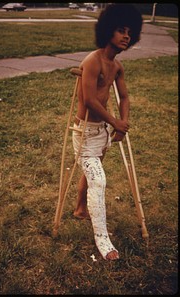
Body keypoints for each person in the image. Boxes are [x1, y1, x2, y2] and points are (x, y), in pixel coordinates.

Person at [72, 4, 143, 260]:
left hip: (101, 132)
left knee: (91, 173)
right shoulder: (92, 60)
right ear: (107, 32)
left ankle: (80, 209)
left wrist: (122, 123)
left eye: (129, 32)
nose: (126, 36)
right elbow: (89, 99)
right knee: (98, 180)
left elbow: (124, 97)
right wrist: (116, 121)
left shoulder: (117, 67)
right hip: (85, 133)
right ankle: (103, 240)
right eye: (120, 31)